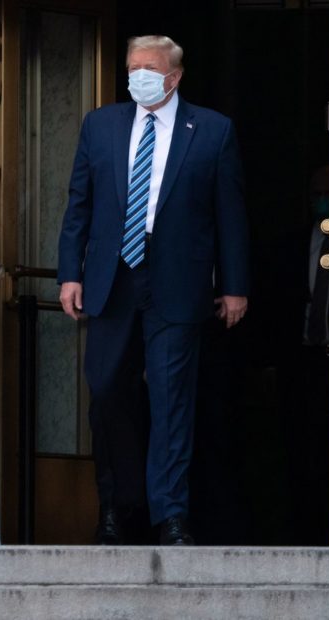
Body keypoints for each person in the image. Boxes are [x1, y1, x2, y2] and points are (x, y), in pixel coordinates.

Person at [57, 35, 250, 545]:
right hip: (111, 281)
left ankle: (171, 515)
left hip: (177, 282)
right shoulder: (100, 125)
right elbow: (79, 203)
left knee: (172, 402)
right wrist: (69, 273)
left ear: (174, 76)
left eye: (149, 67)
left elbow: (229, 215)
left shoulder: (212, 130)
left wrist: (235, 286)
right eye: (132, 67)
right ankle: (118, 506)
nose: (137, 75)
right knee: (105, 395)